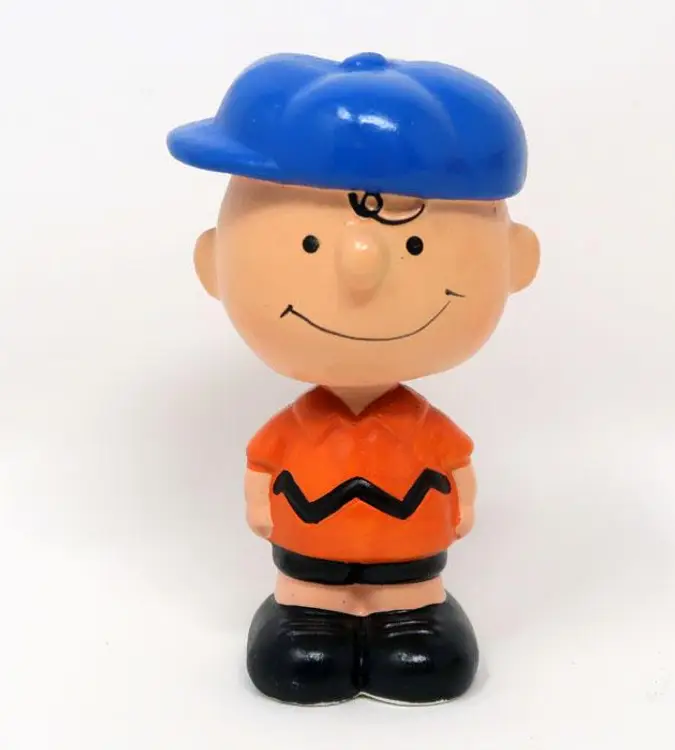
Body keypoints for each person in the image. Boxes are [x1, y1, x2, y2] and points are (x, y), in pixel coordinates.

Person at [167, 51, 540, 705]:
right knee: (306, 637)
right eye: (310, 244)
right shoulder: (296, 427)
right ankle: (311, 612)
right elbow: (263, 468)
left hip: (412, 559)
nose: (360, 267)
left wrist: (463, 505)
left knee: (418, 630)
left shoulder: (422, 427)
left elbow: (456, 469)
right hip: (308, 558)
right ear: (211, 264)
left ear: (518, 261)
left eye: (414, 245)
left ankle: (410, 615)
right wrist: (260, 506)